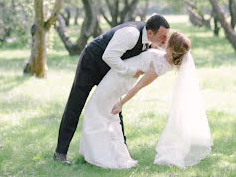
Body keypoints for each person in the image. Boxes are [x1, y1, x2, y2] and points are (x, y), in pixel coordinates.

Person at [54, 15, 170, 163]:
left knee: (115, 108)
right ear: (150, 33)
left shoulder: (149, 37)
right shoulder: (131, 34)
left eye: (167, 37)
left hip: (111, 73)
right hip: (91, 63)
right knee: (75, 106)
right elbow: (109, 56)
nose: (165, 40)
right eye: (162, 37)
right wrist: (131, 71)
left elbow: (149, 49)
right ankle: (60, 153)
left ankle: (121, 152)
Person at [79, 32, 194, 168]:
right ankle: (105, 153)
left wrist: (121, 103)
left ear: (172, 46)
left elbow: (139, 86)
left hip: (119, 80)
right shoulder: (164, 57)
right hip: (119, 73)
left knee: (95, 109)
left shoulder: (160, 66)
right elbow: (153, 54)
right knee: (103, 113)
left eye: (169, 39)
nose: (166, 39)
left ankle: (101, 156)